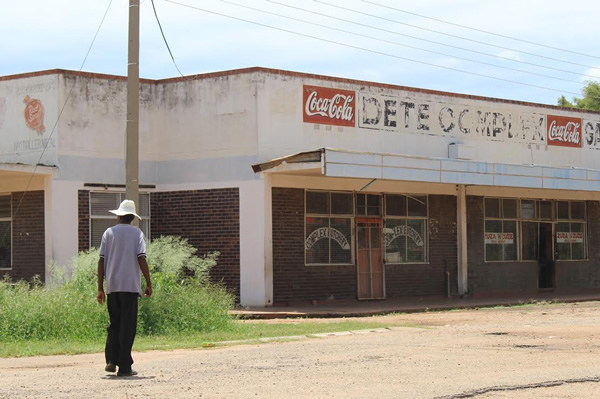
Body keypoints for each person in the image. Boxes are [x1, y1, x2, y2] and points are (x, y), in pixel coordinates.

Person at [97, 199, 152, 377]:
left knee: (114, 324)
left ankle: (111, 360)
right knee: (127, 327)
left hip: (112, 286)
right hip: (130, 286)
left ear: (119, 216)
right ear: (132, 218)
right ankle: (125, 366)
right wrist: (148, 282)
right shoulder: (137, 234)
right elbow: (141, 258)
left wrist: (100, 288)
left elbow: (101, 260)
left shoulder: (108, 233)